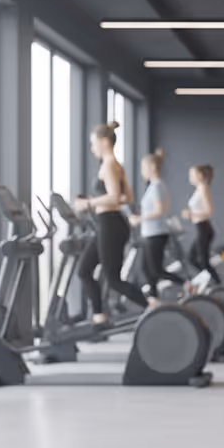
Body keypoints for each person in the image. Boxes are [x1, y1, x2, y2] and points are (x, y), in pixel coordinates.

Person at [74, 121, 148, 324]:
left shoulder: (108, 165)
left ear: (104, 141)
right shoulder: (117, 166)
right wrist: (99, 201)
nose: (92, 148)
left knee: (113, 279)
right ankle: (99, 316)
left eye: (93, 143)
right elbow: (128, 197)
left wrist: (88, 203)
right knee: (85, 270)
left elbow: (115, 197)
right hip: (110, 223)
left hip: (110, 224)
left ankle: (152, 307)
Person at [133, 148, 184, 305]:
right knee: (146, 269)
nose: (142, 172)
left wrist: (139, 219)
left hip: (156, 233)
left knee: (156, 270)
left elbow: (159, 211)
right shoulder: (154, 186)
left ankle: (186, 284)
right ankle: (154, 300)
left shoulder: (156, 187)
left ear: (152, 168)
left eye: (143, 168)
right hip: (151, 233)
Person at [182, 164, 221, 286]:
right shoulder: (199, 188)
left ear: (199, 175)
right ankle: (210, 282)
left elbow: (209, 210)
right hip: (201, 228)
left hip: (204, 228)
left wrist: (191, 214)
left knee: (203, 262)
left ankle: (218, 285)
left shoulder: (203, 188)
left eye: (192, 174)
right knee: (192, 259)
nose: (190, 177)